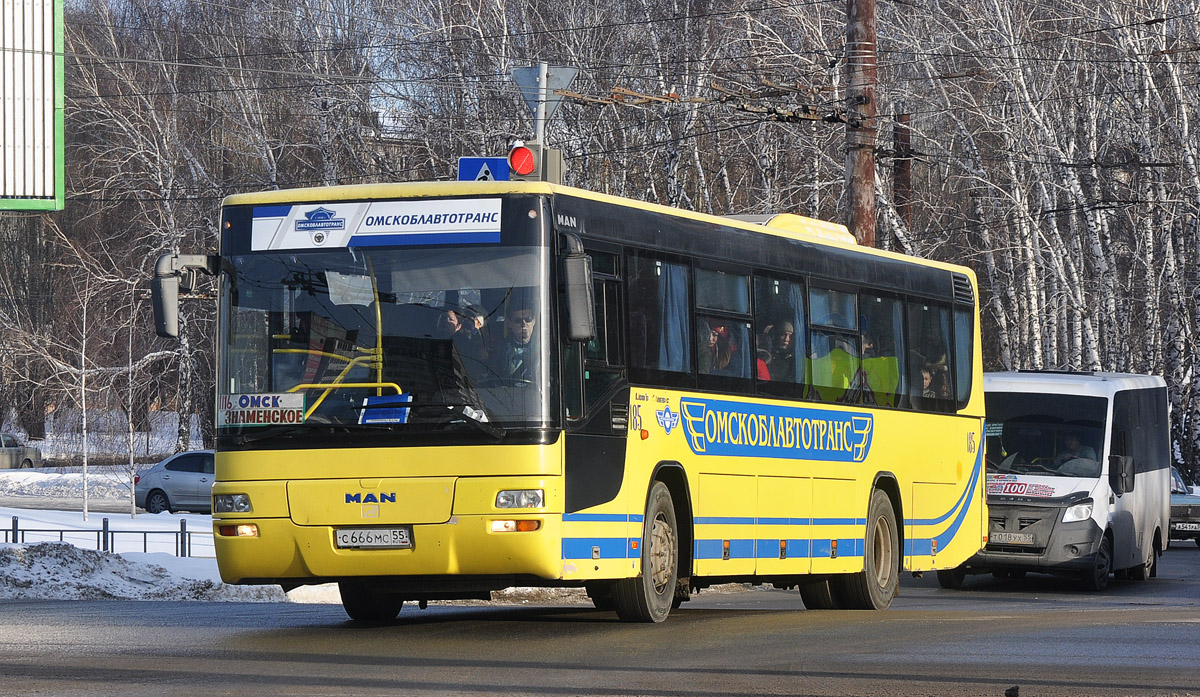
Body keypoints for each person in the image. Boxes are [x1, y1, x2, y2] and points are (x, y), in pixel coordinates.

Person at [492, 298, 538, 380]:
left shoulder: (544, 348)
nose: (524, 324)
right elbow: (494, 380)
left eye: (528, 319)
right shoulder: (499, 350)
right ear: (509, 323)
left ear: (534, 321)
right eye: (518, 321)